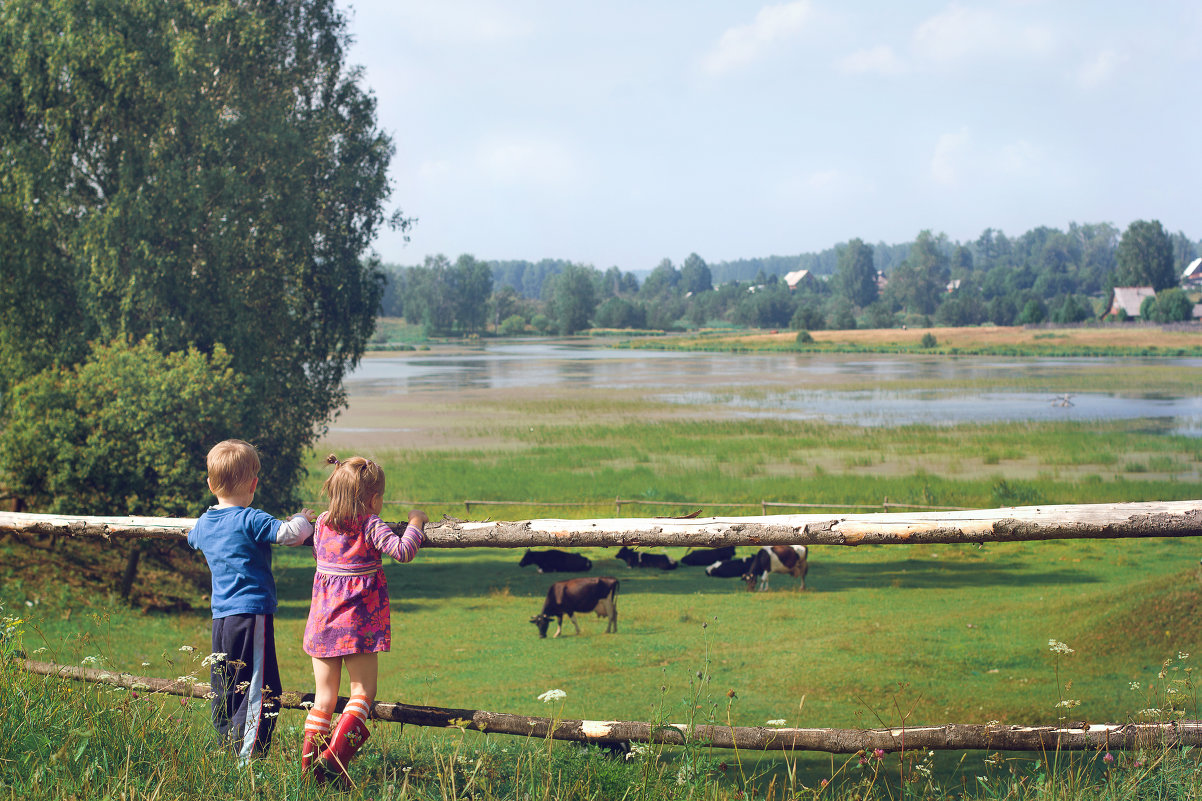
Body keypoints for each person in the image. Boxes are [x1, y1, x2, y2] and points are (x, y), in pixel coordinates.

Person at [301, 454, 428, 784]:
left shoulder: (322, 523)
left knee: (324, 699)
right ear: (373, 499)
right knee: (362, 693)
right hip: (358, 626)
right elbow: (403, 551)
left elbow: (320, 556)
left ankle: (308, 774)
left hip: (322, 624)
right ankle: (333, 765)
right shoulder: (371, 524)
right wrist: (416, 521)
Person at [186, 439, 315, 761]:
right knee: (258, 685)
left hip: (221, 618)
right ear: (254, 483)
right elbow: (290, 534)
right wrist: (302, 518)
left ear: (209, 484)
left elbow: (191, 538)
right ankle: (248, 760)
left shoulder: (204, 523)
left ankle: (225, 749)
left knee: (226, 685)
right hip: (251, 612)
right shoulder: (250, 518)